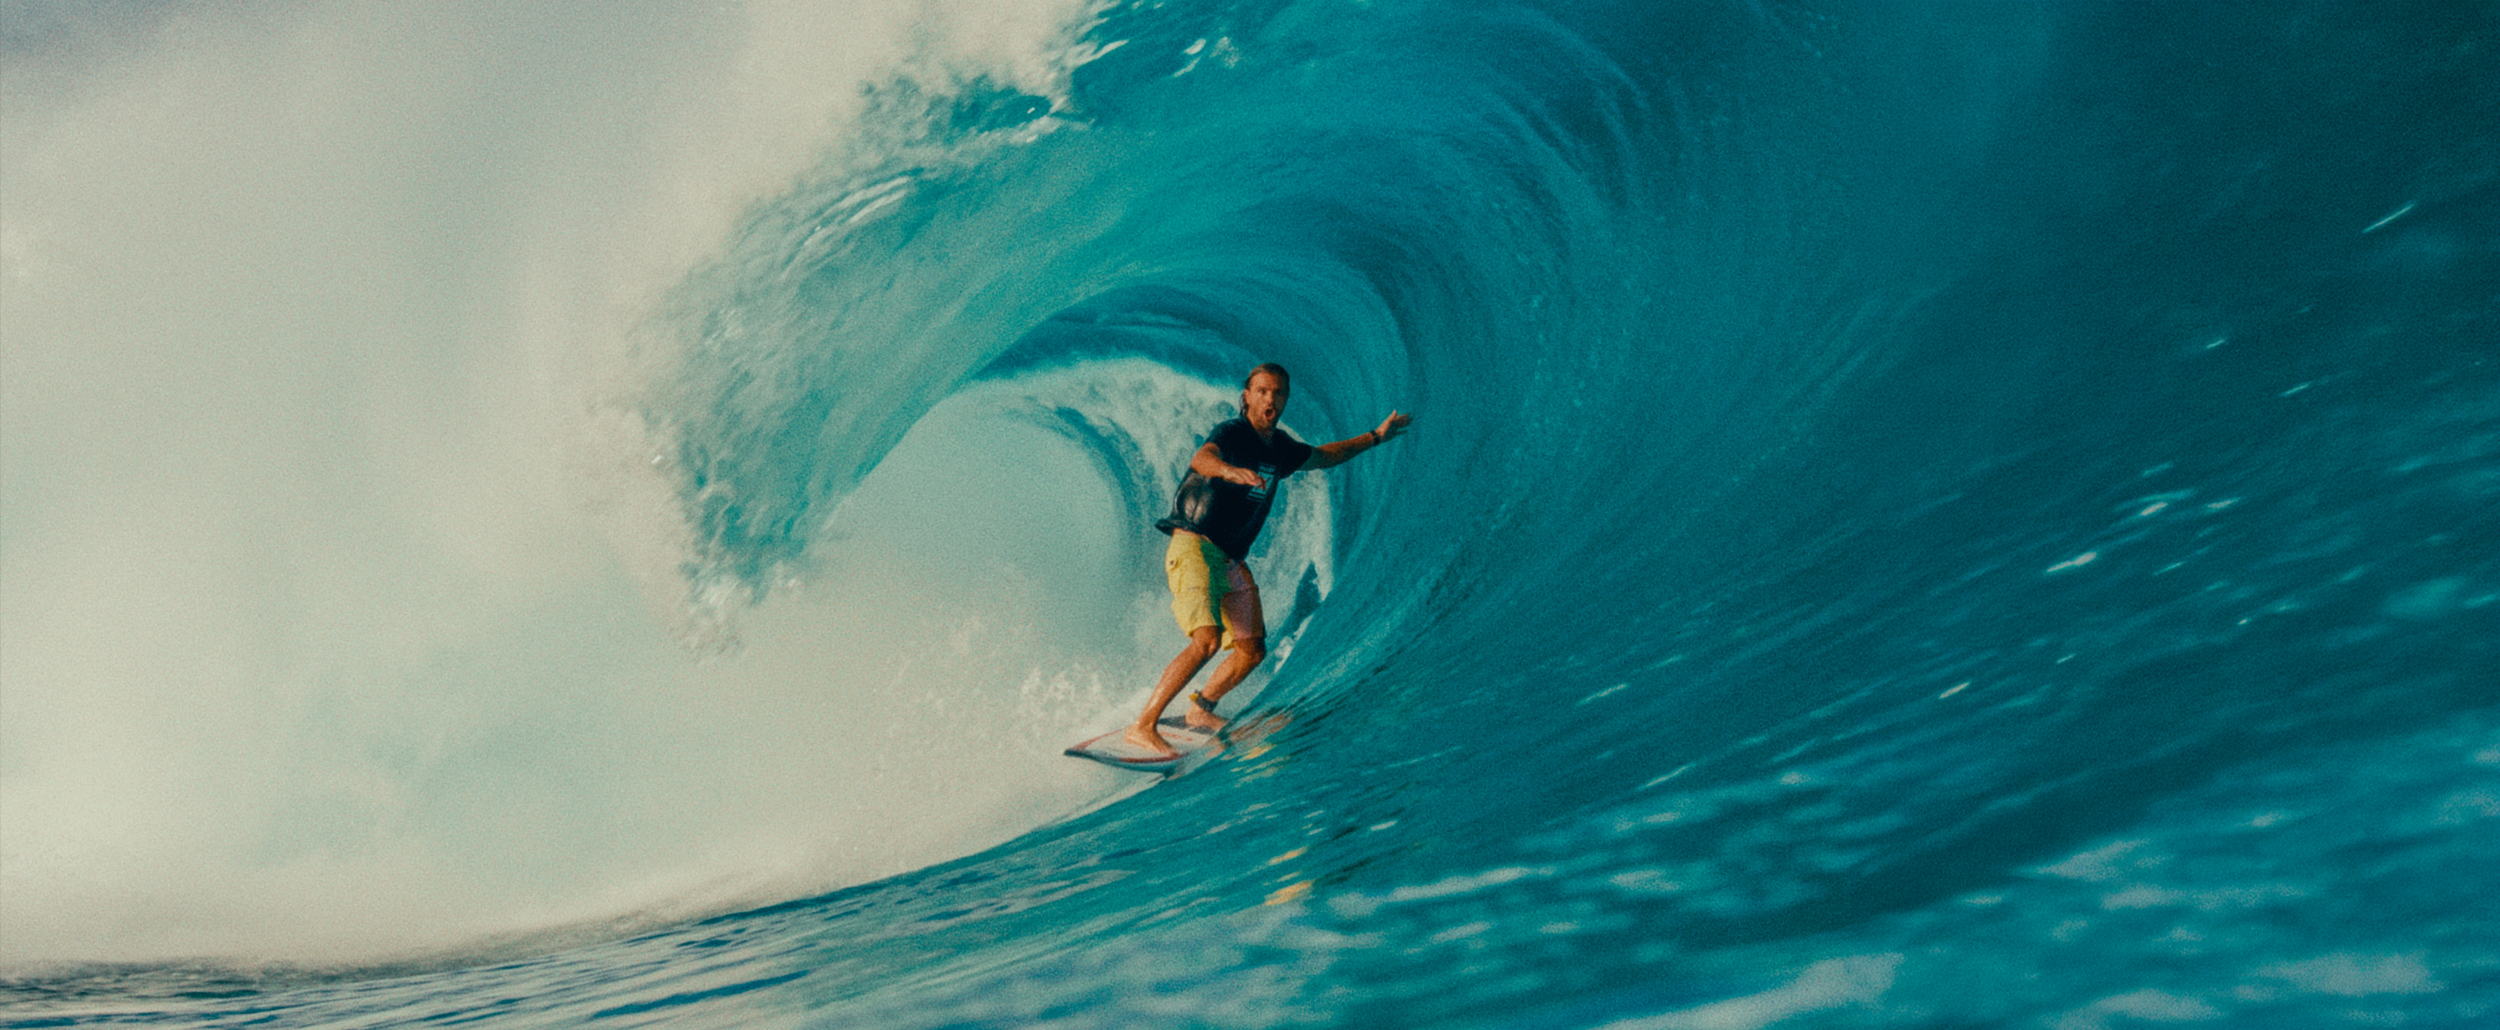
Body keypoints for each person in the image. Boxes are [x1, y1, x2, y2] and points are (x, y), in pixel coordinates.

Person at [1128, 362, 1413, 757]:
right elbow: (1202, 458)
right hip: (1194, 546)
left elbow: (1324, 457)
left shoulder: (1279, 448)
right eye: (1262, 391)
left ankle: (1200, 711)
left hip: (1227, 558)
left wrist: (1376, 437)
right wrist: (1230, 472)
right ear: (1246, 396)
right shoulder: (1233, 434)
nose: (1270, 399)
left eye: (1278, 393)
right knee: (1207, 641)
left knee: (1251, 650)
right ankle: (1143, 726)